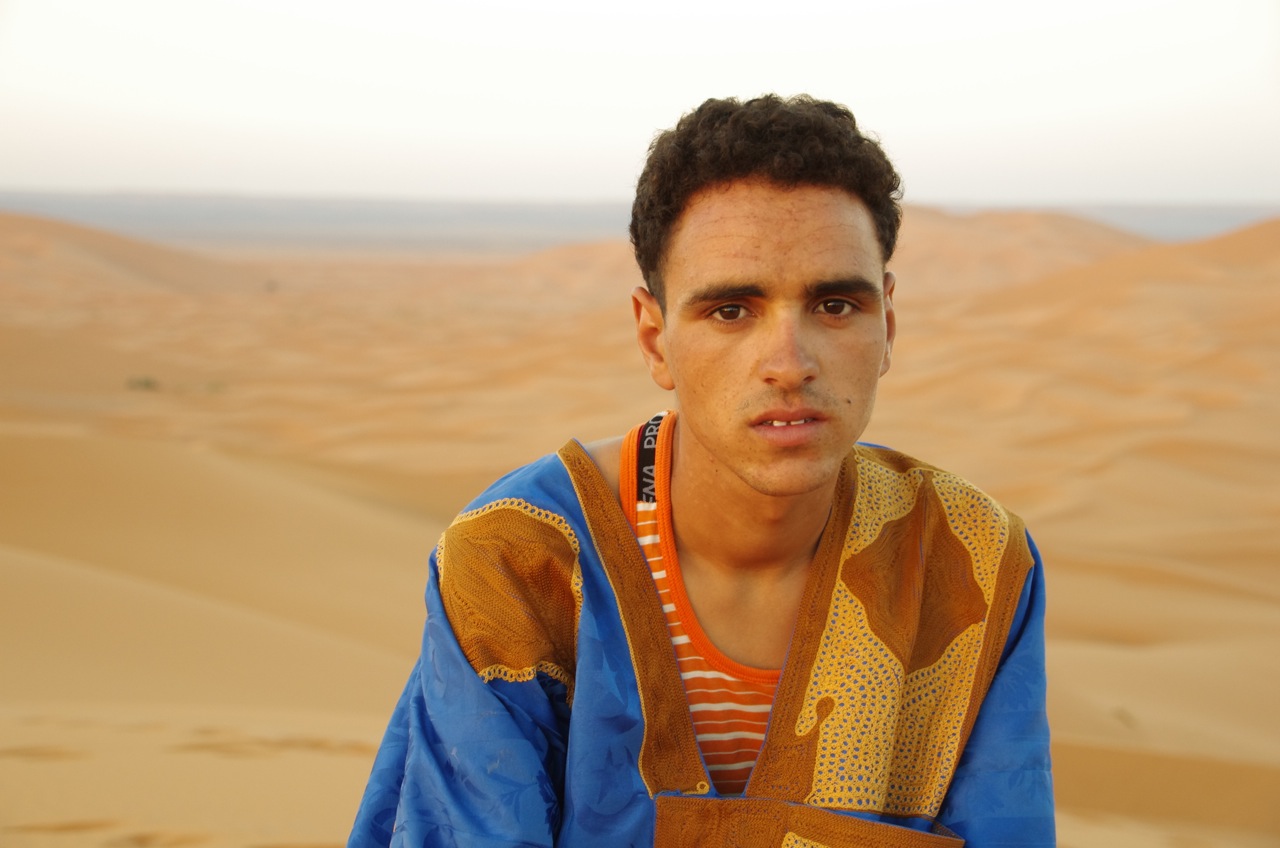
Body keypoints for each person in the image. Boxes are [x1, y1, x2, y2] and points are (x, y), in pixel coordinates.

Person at [348, 94, 1054, 847]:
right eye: (731, 311)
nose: (789, 363)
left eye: (834, 305)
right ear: (655, 339)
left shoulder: (968, 563)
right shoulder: (521, 562)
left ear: (887, 323)